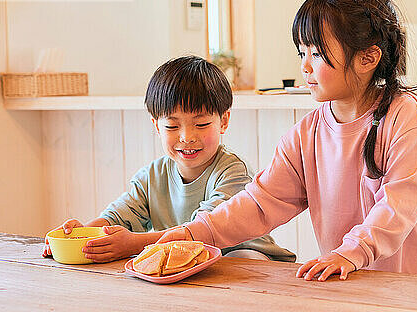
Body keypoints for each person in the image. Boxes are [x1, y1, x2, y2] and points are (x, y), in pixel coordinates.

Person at [158, 0, 417, 281]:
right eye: (301, 53)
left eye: (316, 54)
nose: (305, 66)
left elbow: (399, 205)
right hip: (355, 282)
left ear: (367, 58)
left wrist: (351, 252)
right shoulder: (305, 134)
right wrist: (192, 233)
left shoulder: (404, 114)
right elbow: (259, 203)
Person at [42, 56, 295, 263]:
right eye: (172, 127)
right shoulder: (151, 177)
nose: (186, 137)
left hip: (248, 259)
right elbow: (118, 217)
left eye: (202, 124)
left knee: (241, 259)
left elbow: (202, 232)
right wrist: (83, 237)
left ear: (224, 121)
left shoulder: (233, 172)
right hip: (188, 263)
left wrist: (133, 243)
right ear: (156, 126)